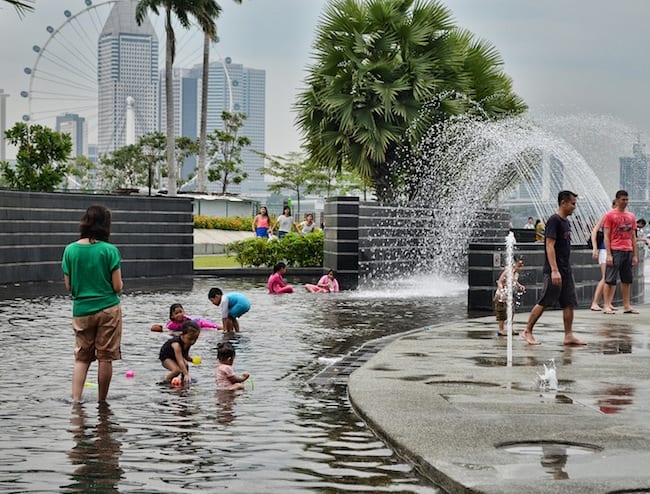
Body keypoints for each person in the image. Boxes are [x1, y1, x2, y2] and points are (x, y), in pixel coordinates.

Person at [62, 205, 124, 403]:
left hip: (82, 310)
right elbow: (117, 286)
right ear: (106, 226)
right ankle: (101, 402)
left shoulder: (70, 250)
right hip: (108, 308)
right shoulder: (109, 251)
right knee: (105, 357)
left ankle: (76, 401)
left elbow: (69, 287)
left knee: (81, 357)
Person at [520, 191, 586, 346]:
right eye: (573, 203)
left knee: (569, 302)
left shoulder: (566, 222)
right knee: (545, 301)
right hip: (554, 270)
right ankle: (527, 331)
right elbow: (549, 245)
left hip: (565, 269)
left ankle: (568, 335)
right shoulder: (554, 220)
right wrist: (554, 270)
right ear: (563, 203)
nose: (574, 207)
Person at [603, 190, 639, 314]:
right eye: (623, 199)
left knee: (627, 279)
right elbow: (606, 236)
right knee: (610, 279)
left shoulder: (631, 216)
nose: (625, 202)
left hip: (628, 250)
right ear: (617, 200)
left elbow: (633, 236)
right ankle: (607, 305)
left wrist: (635, 255)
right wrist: (608, 254)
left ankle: (626, 305)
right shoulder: (610, 215)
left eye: (627, 199)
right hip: (615, 250)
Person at [589, 201, 616, 312]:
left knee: (612, 278)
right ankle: (595, 303)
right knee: (606, 277)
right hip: (604, 250)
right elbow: (594, 231)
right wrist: (595, 248)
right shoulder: (607, 216)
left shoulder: (622, 217)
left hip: (615, 250)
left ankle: (609, 302)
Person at [494, 258, 525, 336]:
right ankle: (501, 329)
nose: (520, 268)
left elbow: (514, 280)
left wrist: (519, 285)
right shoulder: (508, 271)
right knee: (501, 311)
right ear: (514, 265)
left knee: (512, 311)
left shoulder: (516, 273)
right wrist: (502, 293)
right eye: (519, 266)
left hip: (509, 295)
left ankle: (510, 328)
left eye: (521, 266)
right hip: (501, 295)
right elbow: (500, 282)